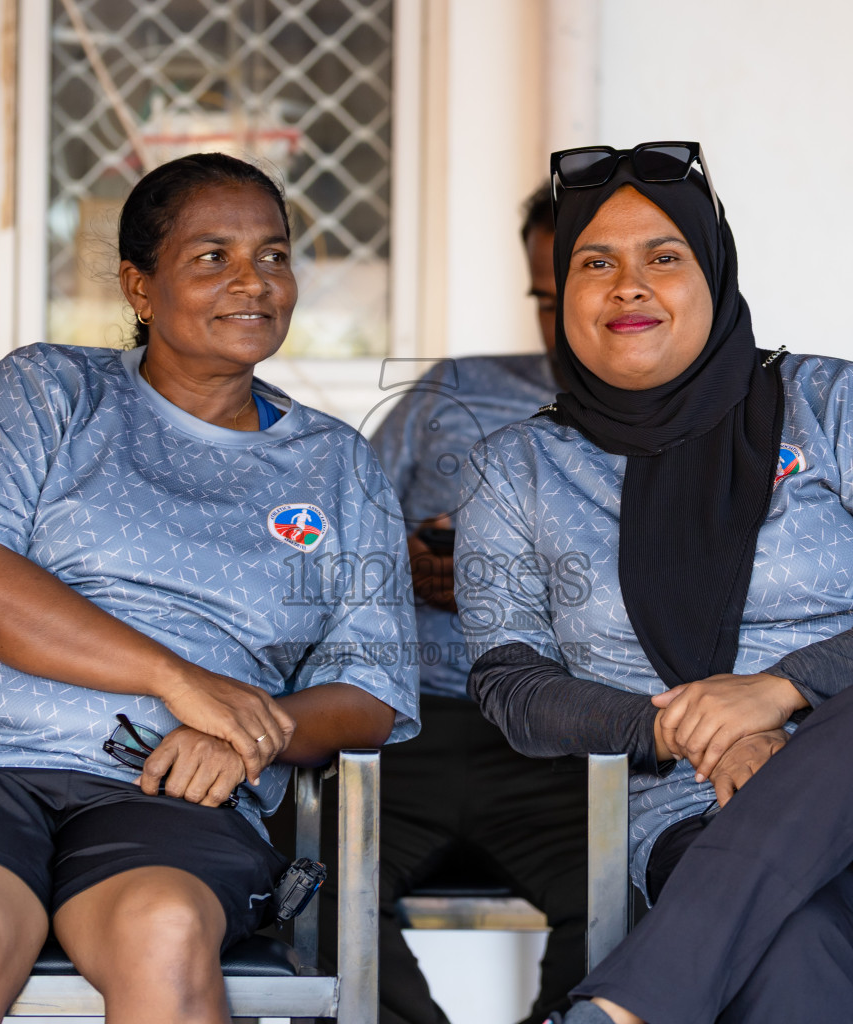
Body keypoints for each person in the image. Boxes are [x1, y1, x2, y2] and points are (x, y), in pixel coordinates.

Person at [0, 153, 420, 1024]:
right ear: (140, 285)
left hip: (175, 788)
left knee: (164, 929)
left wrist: (255, 728)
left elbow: (374, 690)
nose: (254, 281)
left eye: (275, 255)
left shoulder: (335, 465)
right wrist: (184, 684)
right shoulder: (51, 389)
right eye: (212, 256)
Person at [457, 143, 853, 1024]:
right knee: (786, 949)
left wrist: (777, 693)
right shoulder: (516, 470)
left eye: (664, 257)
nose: (629, 286)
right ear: (562, 292)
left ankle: (622, 1010)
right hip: (710, 820)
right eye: (596, 262)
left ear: (715, 274)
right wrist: (700, 730)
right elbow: (511, 684)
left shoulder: (833, 400)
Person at [337, 186, 586, 1024]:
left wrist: (510, 582)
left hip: (568, 745)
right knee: (304, 889)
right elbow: (346, 522)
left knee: (646, 896)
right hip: (410, 723)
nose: (563, 326)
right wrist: (398, 556)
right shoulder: (455, 391)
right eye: (545, 301)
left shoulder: (686, 435)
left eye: (582, 293)